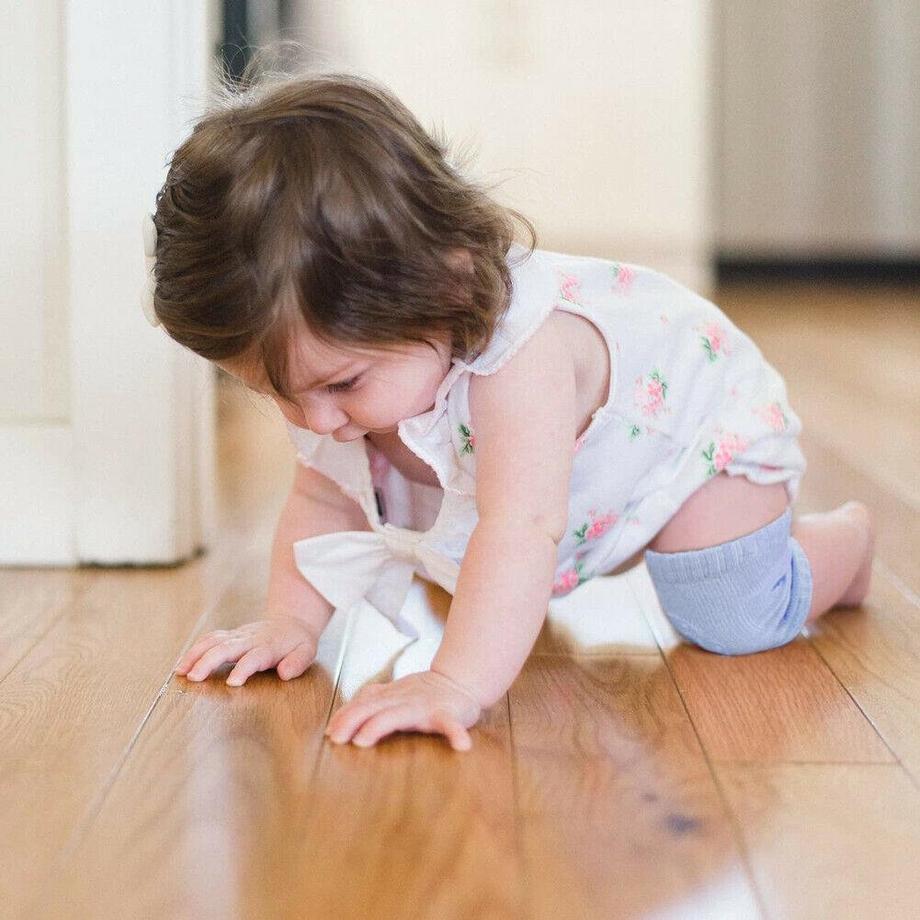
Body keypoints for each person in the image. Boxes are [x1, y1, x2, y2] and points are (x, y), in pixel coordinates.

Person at [155, 70, 874, 752]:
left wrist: (453, 682)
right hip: (580, 485)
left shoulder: (519, 365)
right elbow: (326, 502)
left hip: (688, 438)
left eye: (341, 385)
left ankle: (846, 546)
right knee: (444, 548)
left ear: (448, 284)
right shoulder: (346, 379)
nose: (312, 420)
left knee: (730, 617)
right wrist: (291, 621)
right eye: (274, 392)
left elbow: (522, 526)